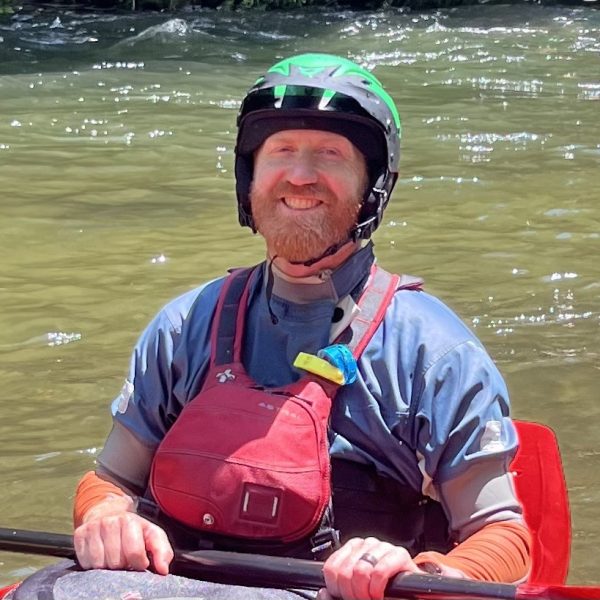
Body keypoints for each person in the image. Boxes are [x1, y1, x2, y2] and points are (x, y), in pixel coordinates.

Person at [72, 53, 531, 600]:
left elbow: (504, 538)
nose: (300, 175)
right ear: (250, 176)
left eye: (330, 154)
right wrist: (106, 517)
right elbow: (111, 481)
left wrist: (424, 572)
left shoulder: (436, 354)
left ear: (372, 185)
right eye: (281, 151)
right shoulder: (183, 326)